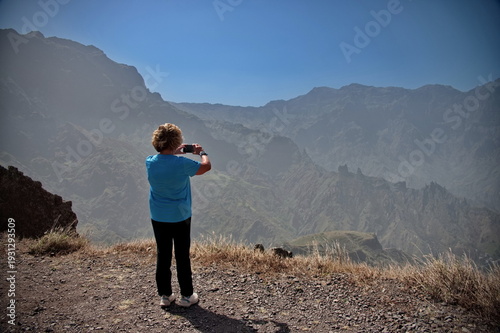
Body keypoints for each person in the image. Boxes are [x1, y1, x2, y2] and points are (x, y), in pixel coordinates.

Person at [146, 123, 211, 308]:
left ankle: (165, 296)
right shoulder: (182, 164)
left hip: (158, 215)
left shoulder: (149, 161)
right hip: (180, 216)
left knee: (163, 254)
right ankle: (187, 296)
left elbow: (165, 160)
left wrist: (175, 152)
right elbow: (206, 167)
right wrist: (201, 151)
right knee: (182, 255)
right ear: (176, 142)